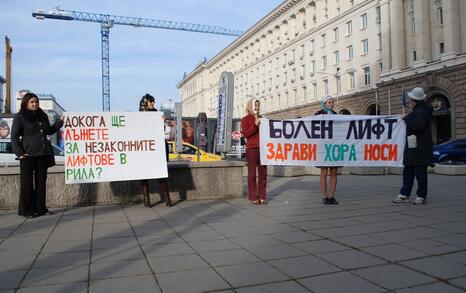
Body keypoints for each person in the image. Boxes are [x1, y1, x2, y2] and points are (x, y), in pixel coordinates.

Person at [11, 93, 64, 218]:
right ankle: (28, 210)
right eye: (32, 102)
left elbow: (49, 130)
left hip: (43, 154)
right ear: (26, 103)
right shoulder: (20, 117)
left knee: (41, 183)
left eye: (36, 102)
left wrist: (59, 123)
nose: (35, 104)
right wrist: (19, 152)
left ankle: (41, 208)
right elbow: (14, 136)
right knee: (27, 184)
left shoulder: (42, 115)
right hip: (27, 155)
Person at [393, 87, 433, 205]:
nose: (409, 100)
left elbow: (417, 127)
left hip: (419, 149)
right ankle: (405, 194)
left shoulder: (421, 112)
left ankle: (420, 196)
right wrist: (409, 117)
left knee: (419, 174)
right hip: (414, 148)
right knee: (409, 172)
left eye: (411, 98)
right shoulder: (419, 111)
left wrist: (407, 119)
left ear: (414, 100)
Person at [139, 94, 173, 207]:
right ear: (145, 102)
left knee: (161, 173)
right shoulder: (139, 115)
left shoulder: (157, 113)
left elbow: (162, 130)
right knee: (144, 174)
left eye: (153, 101)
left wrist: (162, 122)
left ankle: (167, 199)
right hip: (145, 148)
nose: (153, 103)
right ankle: (146, 199)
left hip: (157, 147)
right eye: (151, 101)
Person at [241, 98, 267, 205]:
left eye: (258, 106)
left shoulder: (263, 118)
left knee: (263, 174)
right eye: (255, 105)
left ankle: (262, 196)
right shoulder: (245, 119)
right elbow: (246, 134)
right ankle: (253, 196)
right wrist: (255, 125)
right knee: (252, 174)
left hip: (263, 149)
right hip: (252, 149)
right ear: (250, 107)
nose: (257, 108)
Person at [315, 95, 339, 205]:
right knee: (323, 172)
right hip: (323, 147)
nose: (332, 104)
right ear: (324, 103)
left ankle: (331, 196)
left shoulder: (336, 115)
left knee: (334, 172)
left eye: (332, 102)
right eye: (329, 102)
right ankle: (325, 196)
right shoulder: (318, 114)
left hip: (334, 147)